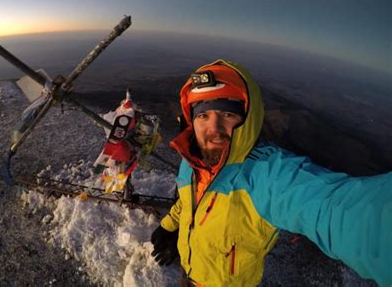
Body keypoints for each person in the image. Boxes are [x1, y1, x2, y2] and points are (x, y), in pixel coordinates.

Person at [150, 59, 391, 286]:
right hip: (189, 275)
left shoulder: (267, 175)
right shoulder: (193, 159)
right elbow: (189, 200)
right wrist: (170, 226)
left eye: (227, 114)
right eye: (203, 115)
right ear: (192, 122)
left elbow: (337, 210)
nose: (214, 129)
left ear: (247, 119)